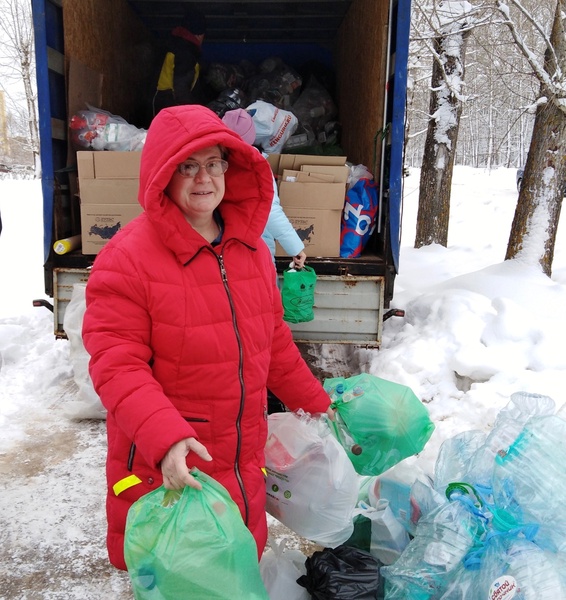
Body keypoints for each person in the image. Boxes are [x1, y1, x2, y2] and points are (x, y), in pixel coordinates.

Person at [82, 105, 334, 571]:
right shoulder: (128, 258)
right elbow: (116, 364)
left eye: (215, 163)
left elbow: (272, 339)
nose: (205, 178)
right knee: (181, 576)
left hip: (239, 454)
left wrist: (318, 404)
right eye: (188, 166)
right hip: (173, 461)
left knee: (234, 565)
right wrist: (166, 438)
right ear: (161, 174)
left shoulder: (252, 248)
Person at [221, 108, 307, 271]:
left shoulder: (213, 165)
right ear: (252, 136)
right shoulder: (256, 167)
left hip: (221, 251)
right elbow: (270, 210)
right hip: (256, 249)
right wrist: (295, 247)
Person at [152, 7, 207, 116]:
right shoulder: (186, 53)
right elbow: (181, 88)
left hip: (158, 101)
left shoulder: (174, 44)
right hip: (166, 104)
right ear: (200, 34)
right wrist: (192, 114)